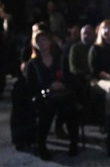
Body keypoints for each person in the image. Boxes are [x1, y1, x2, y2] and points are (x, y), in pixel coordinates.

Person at [25, 28, 79, 159]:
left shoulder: (59, 59)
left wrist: (63, 84)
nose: (41, 43)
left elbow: (69, 77)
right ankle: (42, 145)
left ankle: (73, 143)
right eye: (38, 41)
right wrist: (48, 86)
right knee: (46, 109)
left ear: (50, 42)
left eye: (44, 40)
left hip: (61, 93)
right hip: (43, 95)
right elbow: (31, 85)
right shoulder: (33, 63)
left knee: (70, 106)